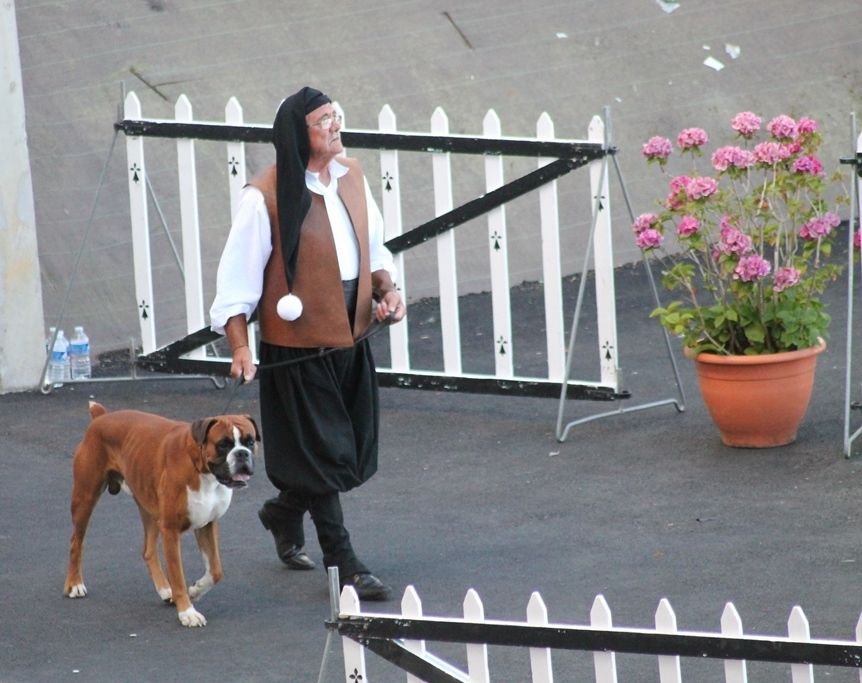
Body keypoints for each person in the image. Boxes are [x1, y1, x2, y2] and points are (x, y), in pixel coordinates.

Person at [209, 86, 405, 601]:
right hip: (297, 348)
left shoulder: (354, 178)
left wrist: (389, 291)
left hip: (351, 335)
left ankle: (283, 509)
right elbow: (236, 283)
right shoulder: (265, 197)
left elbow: (375, 248)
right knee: (323, 451)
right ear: (300, 134)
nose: (336, 126)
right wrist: (240, 347)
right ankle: (342, 561)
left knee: (351, 449)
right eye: (324, 121)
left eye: (336, 117)